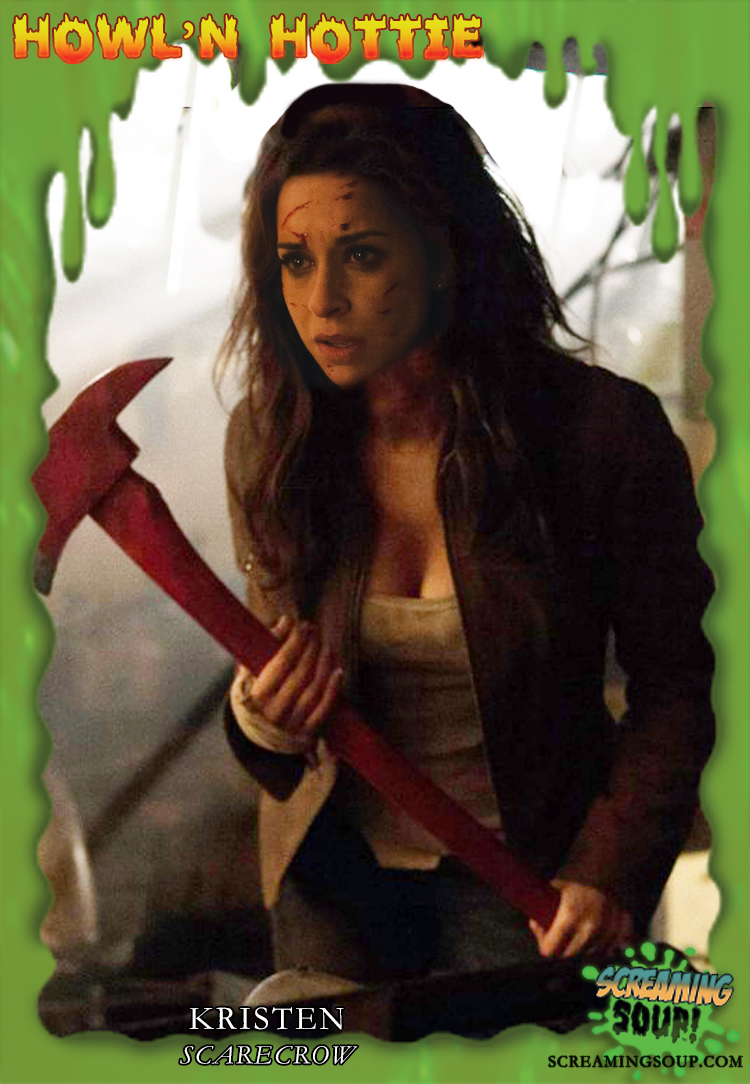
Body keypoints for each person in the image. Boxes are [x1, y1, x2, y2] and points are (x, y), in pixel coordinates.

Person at [219, 84, 714, 983]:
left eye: (361, 255)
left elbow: (678, 686)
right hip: (334, 884)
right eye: (294, 260)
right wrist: (263, 715)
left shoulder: (601, 435)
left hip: (535, 886)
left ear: (447, 252)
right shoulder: (273, 438)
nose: (321, 300)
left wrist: (607, 871)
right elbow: (275, 733)